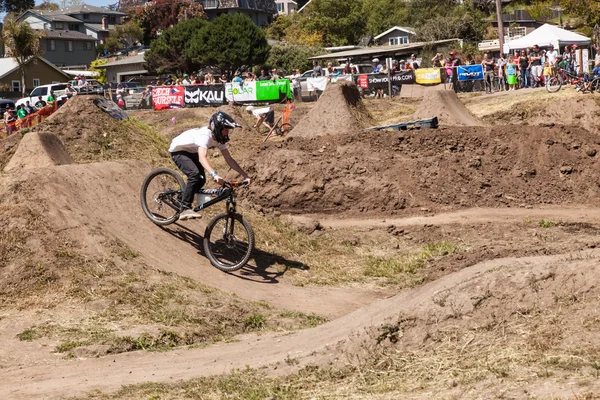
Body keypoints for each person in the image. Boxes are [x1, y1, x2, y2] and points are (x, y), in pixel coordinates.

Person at [168, 111, 250, 221]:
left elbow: (229, 159)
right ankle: (184, 208)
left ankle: (181, 199)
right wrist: (214, 175)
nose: (227, 132)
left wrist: (245, 175)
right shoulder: (205, 136)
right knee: (194, 175)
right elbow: (202, 157)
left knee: (201, 180)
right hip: (179, 150)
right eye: (226, 129)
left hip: (191, 152)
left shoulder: (219, 139)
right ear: (218, 128)